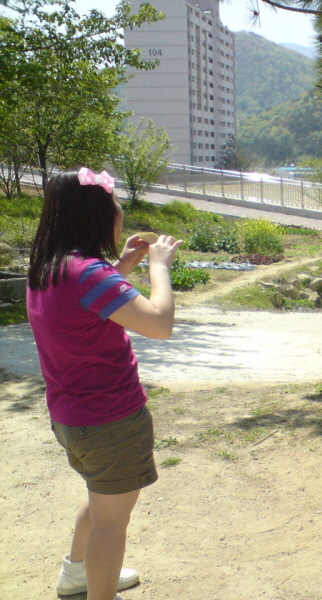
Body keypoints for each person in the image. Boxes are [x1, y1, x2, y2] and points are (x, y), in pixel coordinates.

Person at [26, 168, 183, 600]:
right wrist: (158, 267)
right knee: (111, 525)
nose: (119, 215)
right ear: (96, 217)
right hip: (110, 421)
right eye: (116, 207)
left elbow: (84, 305)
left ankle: (76, 573)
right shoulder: (89, 274)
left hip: (71, 419)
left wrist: (122, 267)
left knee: (100, 499)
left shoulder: (50, 268)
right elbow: (160, 324)